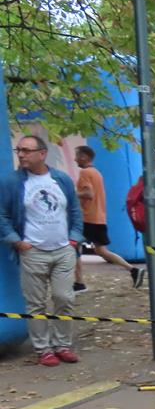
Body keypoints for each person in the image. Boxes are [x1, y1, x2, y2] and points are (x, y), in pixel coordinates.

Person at [0, 135, 83, 365]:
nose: (21, 155)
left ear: (42, 153)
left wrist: (74, 239)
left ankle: (62, 344)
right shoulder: (12, 182)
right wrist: (17, 241)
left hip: (63, 250)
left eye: (26, 150)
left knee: (64, 297)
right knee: (35, 303)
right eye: (19, 150)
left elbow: (75, 210)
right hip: (32, 251)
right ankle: (43, 349)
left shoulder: (61, 179)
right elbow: (3, 215)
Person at [72, 145, 144, 290]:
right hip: (98, 218)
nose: (75, 159)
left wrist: (71, 193)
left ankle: (79, 283)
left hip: (87, 218)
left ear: (84, 157)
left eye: (77, 156)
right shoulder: (96, 173)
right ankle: (133, 269)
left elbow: (89, 194)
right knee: (101, 251)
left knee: (73, 247)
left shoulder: (85, 172)